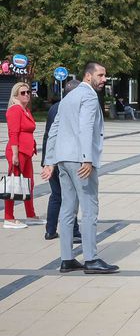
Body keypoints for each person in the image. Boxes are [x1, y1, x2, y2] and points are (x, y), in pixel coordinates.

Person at [42, 62, 120, 275]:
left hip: (63, 160)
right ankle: (91, 259)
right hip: (79, 160)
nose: (104, 79)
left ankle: (67, 259)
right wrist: (87, 158)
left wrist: (50, 160)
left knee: (68, 208)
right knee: (89, 209)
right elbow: (86, 127)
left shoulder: (68, 97)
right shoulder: (88, 96)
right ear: (88, 76)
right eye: (101, 75)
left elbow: (54, 129)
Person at [42, 80, 82, 242]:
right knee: (69, 196)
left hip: (52, 157)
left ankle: (50, 230)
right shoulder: (68, 108)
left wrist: (47, 160)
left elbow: (49, 136)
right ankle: (73, 230)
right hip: (64, 158)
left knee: (57, 195)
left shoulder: (54, 107)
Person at [4, 82, 44, 229]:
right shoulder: (15, 110)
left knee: (29, 184)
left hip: (26, 152)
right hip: (17, 152)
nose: (27, 94)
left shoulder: (25, 110)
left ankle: (30, 215)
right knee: (13, 185)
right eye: (23, 93)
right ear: (15, 96)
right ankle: (8, 217)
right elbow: (13, 134)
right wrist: (14, 154)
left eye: (28, 92)